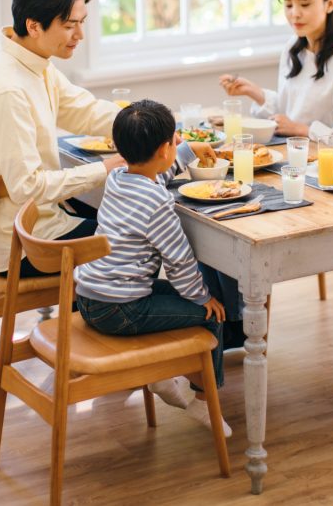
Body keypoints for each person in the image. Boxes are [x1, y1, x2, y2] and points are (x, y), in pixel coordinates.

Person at [74, 100, 238, 437]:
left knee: (177, 299)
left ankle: (163, 374)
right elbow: (179, 263)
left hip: (90, 300)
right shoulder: (157, 203)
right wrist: (203, 297)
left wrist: (189, 150)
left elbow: (159, 171)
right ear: (165, 148)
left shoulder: (120, 177)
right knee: (211, 314)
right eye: (175, 140)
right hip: (122, 310)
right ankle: (204, 402)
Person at [0, 0, 125, 276]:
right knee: (142, 239)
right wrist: (105, 168)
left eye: (82, 23)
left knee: (122, 218)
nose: (80, 35)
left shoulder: (28, 60)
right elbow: (27, 188)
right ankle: (87, 321)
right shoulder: (7, 88)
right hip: (22, 246)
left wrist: (147, 124)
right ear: (34, 26)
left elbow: (81, 109)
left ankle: (84, 315)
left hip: (40, 222)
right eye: (70, 25)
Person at [219, 0, 333, 154]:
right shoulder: (294, 47)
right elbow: (289, 113)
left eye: (305, 4)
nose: (294, 14)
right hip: (292, 155)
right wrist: (253, 91)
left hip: (325, 170)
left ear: (330, 3)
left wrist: (302, 130)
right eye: (288, 4)